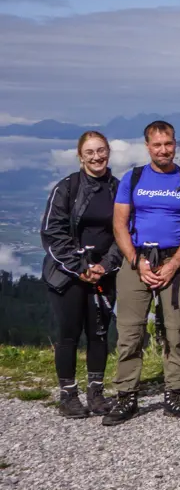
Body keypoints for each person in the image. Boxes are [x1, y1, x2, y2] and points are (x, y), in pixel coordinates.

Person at [104, 120, 180, 426]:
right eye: (158, 145)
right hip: (137, 261)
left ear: (176, 144)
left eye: (169, 144)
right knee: (130, 331)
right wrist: (136, 261)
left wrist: (174, 264)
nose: (164, 150)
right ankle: (126, 396)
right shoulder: (133, 178)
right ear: (148, 146)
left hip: (175, 260)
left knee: (175, 331)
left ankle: (174, 393)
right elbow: (119, 224)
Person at [40, 131, 121, 418]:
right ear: (80, 156)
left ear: (109, 152)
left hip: (103, 274)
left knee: (99, 333)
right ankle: (68, 395)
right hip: (67, 275)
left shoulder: (117, 188)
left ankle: (96, 394)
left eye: (101, 151)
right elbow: (53, 233)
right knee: (69, 334)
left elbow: (123, 234)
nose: (97, 157)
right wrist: (79, 267)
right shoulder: (67, 188)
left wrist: (106, 266)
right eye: (90, 152)